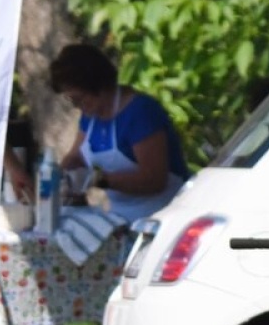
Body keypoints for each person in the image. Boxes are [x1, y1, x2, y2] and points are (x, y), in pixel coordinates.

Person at [52, 43, 188, 224]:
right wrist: (57, 179)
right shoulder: (90, 116)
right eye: (71, 100)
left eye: (79, 98)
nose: (77, 106)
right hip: (117, 216)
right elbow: (76, 158)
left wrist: (100, 181)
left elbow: (154, 180)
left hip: (160, 216)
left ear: (98, 85)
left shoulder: (140, 112)